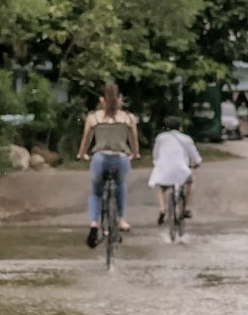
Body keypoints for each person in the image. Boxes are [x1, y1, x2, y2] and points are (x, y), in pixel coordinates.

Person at [76, 80, 141, 248]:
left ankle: (93, 224)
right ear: (119, 99)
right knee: (121, 186)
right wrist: (135, 154)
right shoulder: (128, 118)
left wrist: (82, 154)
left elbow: (86, 141)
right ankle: (121, 220)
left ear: (101, 100)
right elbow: (133, 141)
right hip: (120, 158)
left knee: (96, 193)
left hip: (100, 159)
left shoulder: (94, 117)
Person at [150, 115, 203, 223]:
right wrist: (197, 163)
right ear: (180, 127)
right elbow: (196, 157)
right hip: (181, 170)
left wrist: (157, 163)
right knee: (190, 182)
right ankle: (186, 208)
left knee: (161, 189)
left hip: (164, 170)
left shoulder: (160, 138)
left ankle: (162, 209)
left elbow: (155, 154)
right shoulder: (186, 139)